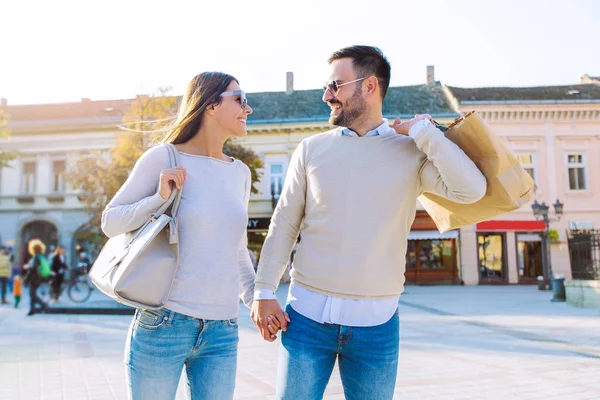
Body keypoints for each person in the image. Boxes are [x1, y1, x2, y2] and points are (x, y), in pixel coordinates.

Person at [251, 45, 487, 399]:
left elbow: (471, 191)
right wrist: (264, 291)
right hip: (305, 320)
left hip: (377, 328)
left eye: (336, 85)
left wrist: (424, 133)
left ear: (370, 86)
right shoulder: (310, 149)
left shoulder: (412, 150)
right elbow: (285, 222)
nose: (326, 95)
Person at [101, 71, 256, 400]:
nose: (248, 108)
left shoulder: (240, 173)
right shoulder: (163, 157)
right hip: (164, 323)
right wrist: (158, 198)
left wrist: (258, 300)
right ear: (211, 106)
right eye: (240, 99)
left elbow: (238, 249)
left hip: (223, 329)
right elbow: (111, 222)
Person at [24, 240, 50, 316]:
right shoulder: (42, 256)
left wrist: (26, 279)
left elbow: (33, 268)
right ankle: (32, 310)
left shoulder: (36, 257)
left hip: (34, 278)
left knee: (32, 294)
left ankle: (44, 305)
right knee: (32, 293)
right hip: (39, 278)